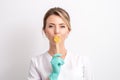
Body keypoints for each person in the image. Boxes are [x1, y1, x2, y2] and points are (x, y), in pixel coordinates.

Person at [28, 7, 93, 80]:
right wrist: (53, 75)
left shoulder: (82, 61)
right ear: (45, 31)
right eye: (51, 26)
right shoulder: (36, 62)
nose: (57, 31)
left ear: (68, 31)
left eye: (62, 26)